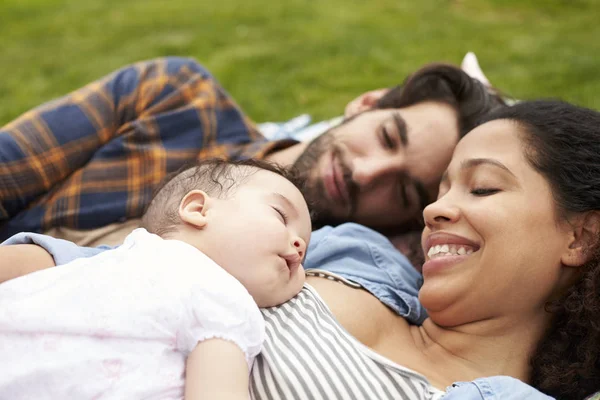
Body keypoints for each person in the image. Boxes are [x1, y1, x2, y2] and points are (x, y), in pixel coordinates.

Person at [5, 99, 600, 400]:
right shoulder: (354, 255)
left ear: (580, 236)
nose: (434, 210)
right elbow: (107, 271)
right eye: (441, 188)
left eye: (484, 186)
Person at [0, 57, 505, 246]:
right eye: (388, 137)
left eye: (401, 190)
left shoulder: (309, 274)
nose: (365, 172)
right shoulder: (176, 96)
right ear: (366, 104)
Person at [0, 158, 312, 399]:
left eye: (306, 248)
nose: (298, 245)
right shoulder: (223, 298)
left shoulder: (119, 258)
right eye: (280, 216)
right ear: (197, 209)